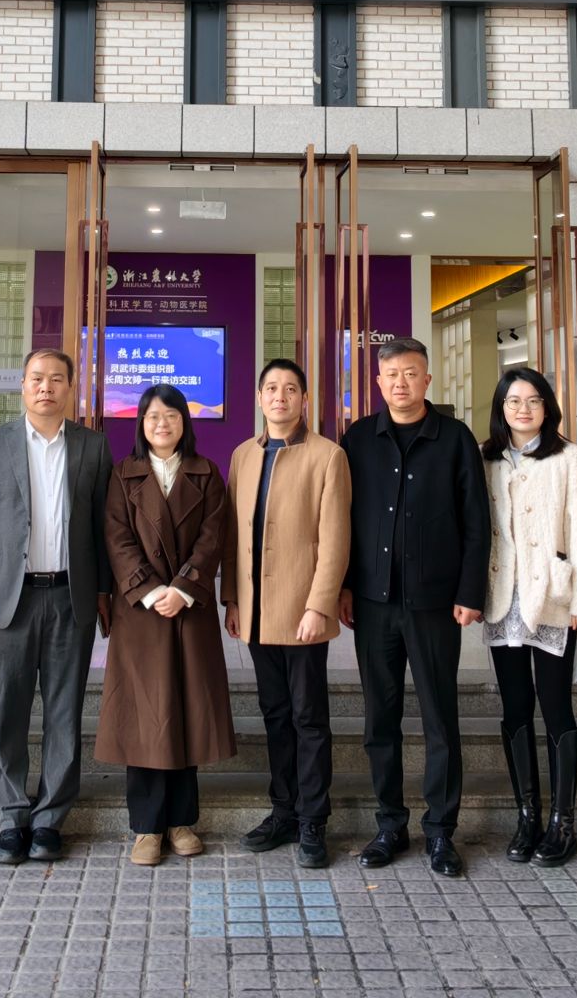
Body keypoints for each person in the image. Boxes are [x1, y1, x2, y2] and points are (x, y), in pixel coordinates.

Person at [338, 337, 489, 878]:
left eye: (410, 373)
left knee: (439, 719)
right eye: (391, 374)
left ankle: (441, 831)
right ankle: (390, 825)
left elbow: (477, 521)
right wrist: (344, 586)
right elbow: (342, 520)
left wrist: (470, 592)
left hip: (435, 604)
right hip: (373, 603)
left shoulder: (454, 438)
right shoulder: (358, 439)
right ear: (377, 383)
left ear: (427, 380)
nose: (400, 382)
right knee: (379, 719)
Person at [0, 348, 114, 865]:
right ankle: (11, 815)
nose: (46, 387)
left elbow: (103, 526)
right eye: (36, 379)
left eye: (56, 379)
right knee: (7, 707)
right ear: (23, 386)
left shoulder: (93, 446)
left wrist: (104, 593)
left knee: (64, 709)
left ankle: (50, 817)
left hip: (72, 596)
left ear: (71, 388)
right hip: (12, 597)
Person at [95, 385, 236, 866]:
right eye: (153, 416)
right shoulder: (123, 474)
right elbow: (116, 537)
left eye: (171, 415)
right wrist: (154, 591)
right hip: (141, 612)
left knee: (187, 712)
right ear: (141, 423)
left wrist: (183, 589)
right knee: (144, 717)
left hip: (188, 610)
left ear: (184, 422)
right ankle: (146, 827)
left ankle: (181, 821)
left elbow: (213, 537)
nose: (162, 423)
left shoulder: (207, 473)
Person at [480, 366, 577, 869]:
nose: (523, 409)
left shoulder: (569, 457)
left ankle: (563, 822)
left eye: (533, 400)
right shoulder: (487, 457)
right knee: (515, 707)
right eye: (514, 401)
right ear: (501, 408)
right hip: (503, 598)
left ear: (547, 407)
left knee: (556, 706)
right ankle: (527, 815)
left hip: (554, 597)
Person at [223, 358, 350, 870]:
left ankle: (313, 820)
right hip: (255, 611)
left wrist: (320, 604)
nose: (280, 396)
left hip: (302, 611)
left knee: (308, 717)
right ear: (259, 398)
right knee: (275, 715)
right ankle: (284, 811)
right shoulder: (243, 455)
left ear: (304, 399)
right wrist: (232, 599)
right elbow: (232, 534)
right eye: (271, 388)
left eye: (290, 388)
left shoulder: (328, 456)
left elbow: (335, 540)